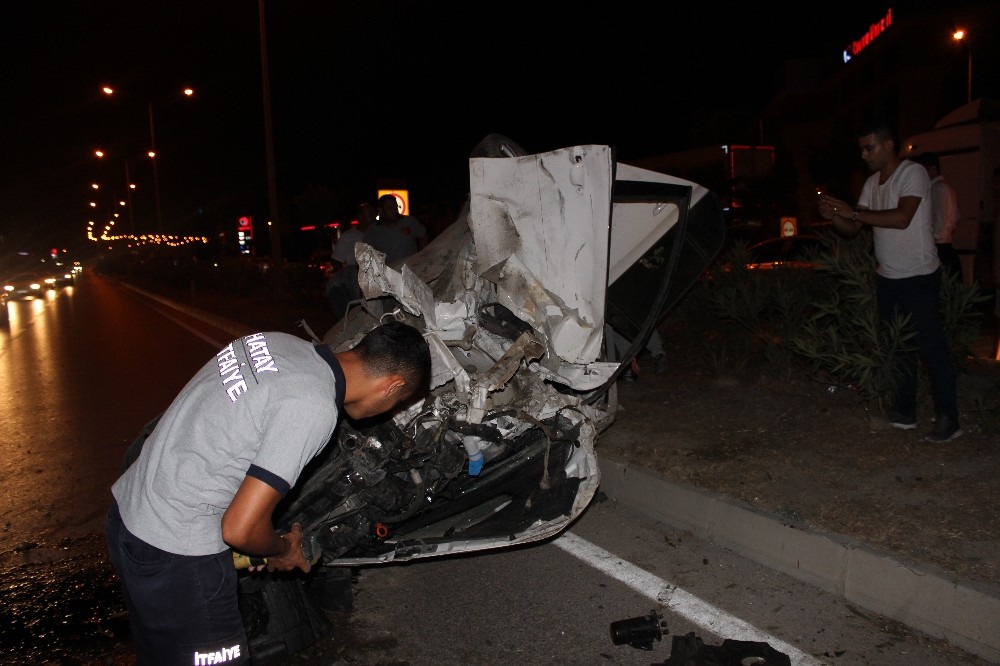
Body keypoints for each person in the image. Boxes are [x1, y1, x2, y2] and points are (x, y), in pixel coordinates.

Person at [106, 321, 431, 665]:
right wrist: (280, 549)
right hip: (178, 553)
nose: (393, 409)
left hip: (130, 514)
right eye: (400, 401)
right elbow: (240, 529)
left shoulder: (276, 343)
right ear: (392, 385)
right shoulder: (313, 405)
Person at [818, 120, 961, 442]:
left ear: (888, 144)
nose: (864, 155)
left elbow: (901, 217)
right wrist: (836, 215)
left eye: (869, 147)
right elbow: (854, 230)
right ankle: (905, 411)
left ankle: (949, 418)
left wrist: (852, 213)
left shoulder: (913, 174)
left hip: (920, 275)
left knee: (931, 348)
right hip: (889, 277)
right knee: (899, 348)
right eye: (862, 149)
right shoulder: (872, 183)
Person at [327, 202, 376, 317]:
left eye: (373, 213)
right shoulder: (349, 236)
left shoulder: (377, 233)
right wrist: (346, 280)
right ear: (360, 217)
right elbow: (335, 260)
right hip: (356, 276)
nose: (373, 216)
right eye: (370, 213)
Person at [916, 152, 961, 276]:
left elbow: (938, 222)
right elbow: (956, 216)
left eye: (922, 170)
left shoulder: (937, 189)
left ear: (933, 169)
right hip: (944, 246)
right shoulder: (945, 188)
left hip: (939, 247)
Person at [365, 193, 428, 265]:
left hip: (411, 269)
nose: (394, 210)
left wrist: (423, 254)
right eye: (390, 208)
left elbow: (423, 234)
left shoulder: (409, 221)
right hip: (389, 272)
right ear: (380, 210)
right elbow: (366, 254)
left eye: (396, 207)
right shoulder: (372, 231)